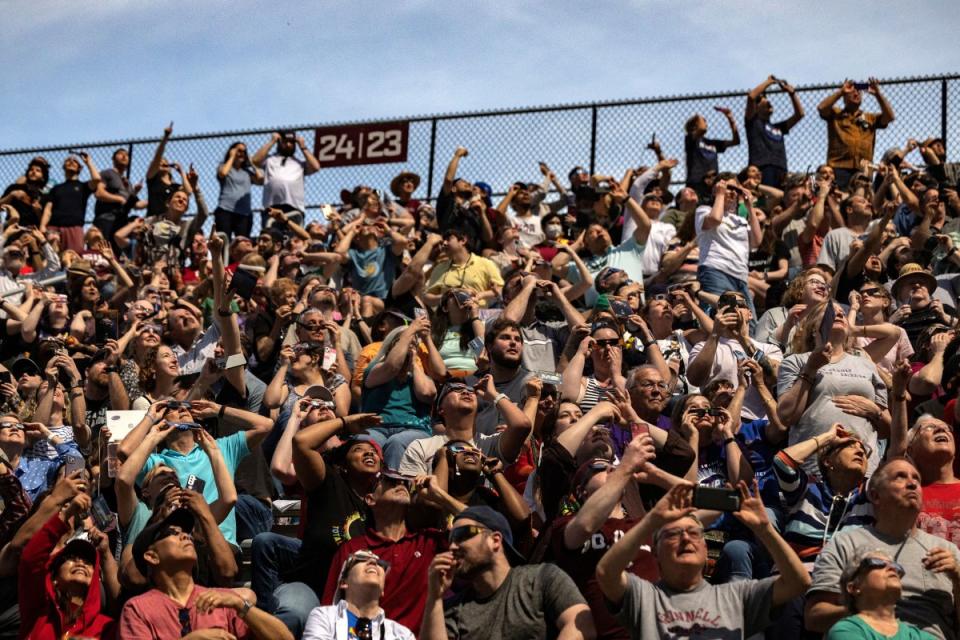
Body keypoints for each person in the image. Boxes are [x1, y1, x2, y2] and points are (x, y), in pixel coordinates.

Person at [595, 481, 811, 639]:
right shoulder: (644, 597)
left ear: (705, 549)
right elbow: (606, 573)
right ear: (656, 554)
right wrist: (651, 521)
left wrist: (765, 530)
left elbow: (798, 582)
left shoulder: (737, 595)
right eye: (672, 534)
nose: (686, 538)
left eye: (694, 532)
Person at [805, 458, 960, 640]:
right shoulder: (846, 543)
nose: (912, 484)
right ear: (875, 496)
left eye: (916, 479)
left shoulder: (948, 551)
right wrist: (871, 611)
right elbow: (814, 617)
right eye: (900, 477)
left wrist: (957, 578)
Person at [421, 505, 595, 640]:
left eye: (460, 535)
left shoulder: (542, 578)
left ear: (495, 540)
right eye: (450, 539)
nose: (452, 546)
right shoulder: (452, 608)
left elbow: (581, 625)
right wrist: (435, 598)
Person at [120, 508, 294, 639]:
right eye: (172, 533)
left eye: (186, 533)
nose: (186, 537)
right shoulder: (137, 609)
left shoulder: (224, 600)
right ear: (152, 556)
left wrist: (241, 606)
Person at [777, 299, 890, 476]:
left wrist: (874, 411)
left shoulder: (867, 365)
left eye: (843, 313)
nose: (839, 314)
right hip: (813, 470)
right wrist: (810, 369)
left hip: (863, 471)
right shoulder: (796, 361)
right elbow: (786, 416)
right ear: (814, 328)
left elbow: (887, 430)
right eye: (831, 311)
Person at [18, 493, 117, 640]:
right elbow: (30, 560)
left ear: (96, 580)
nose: (80, 563)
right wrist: (65, 515)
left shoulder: (107, 628)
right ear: (55, 578)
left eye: (88, 562)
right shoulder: (39, 610)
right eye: (71, 558)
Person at [827, 550, 937, 640]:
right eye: (877, 563)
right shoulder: (846, 630)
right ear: (854, 587)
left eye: (896, 567)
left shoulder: (917, 636)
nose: (892, 568)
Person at [305, 550, 415, 640]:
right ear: (343, 582)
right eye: (361, 559)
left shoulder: (402, 634)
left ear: (382, 590)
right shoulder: (323, 617)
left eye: (380, 564)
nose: (373, 561)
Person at [695, 180, 763, 319]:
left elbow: (756, 241)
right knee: (721, 317)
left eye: (736, 190)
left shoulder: (741, 220)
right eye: (729, 188)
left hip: (741, 276)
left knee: (748, 321)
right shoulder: (704, 210)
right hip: (716, 270)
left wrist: (750, 207)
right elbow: (714, 220)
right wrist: (720, 194)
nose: (733, 192)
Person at [818, 78, 896, 188]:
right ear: (844, 97)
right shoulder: (836, 114)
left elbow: (889, 117)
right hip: (839, 168)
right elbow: (822, 108)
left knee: (863, 200)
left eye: (859, 91)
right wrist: (841, 92)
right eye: (852, 91)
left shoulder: (870, 118)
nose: (856, 93)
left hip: (864, 168)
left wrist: (878, 94)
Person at [251, 130, 321, 229]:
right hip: (271, 206)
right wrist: (272, 141)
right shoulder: (270, 159)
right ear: (280, 143)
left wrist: (303, 147)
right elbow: (255, 160)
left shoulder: (300, 162)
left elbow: (316, 167)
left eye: (291, 142)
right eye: (285, 142)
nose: (288, 145)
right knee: (271, 237)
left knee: (292, 239)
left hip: (293, 207)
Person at [745, 75, 805, 187]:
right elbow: (751, 97)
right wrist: (768, 82)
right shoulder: (753, 122)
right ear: (757, 107)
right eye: (764, 101)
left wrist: (792, 94)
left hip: (781, 167)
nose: (769, 103)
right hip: (763, 167)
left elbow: (799, 114)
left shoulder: (778, 127)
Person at [40, 152, 102, 253]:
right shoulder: (56, 188)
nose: (71, 162)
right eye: (68, 160)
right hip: (54, 227)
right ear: (63, 167)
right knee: (51, 257)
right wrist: (42, 226)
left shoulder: (83, 187)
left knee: (75, 259)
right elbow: (48, 209)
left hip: (74, 227)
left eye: (75, 161)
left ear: (80, 168)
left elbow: (97, 179)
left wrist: (88, 162)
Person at [425, 229, 503, 308]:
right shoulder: (439, 268)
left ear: (463, 240)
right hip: (447, 317)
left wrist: (480, 295)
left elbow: (500, 290)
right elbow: (427, 298)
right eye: (442, 242)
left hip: (477, 315)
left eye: (448, 239)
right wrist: (448, 296)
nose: (444, 243)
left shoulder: (485, 263)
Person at [684, 106, 740, 197]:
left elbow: (736, 141)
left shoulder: (711, 143)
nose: (706, 123)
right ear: (694, 125)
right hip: (697, 181)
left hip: (712, 182)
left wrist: (730, 119)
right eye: (703, 121)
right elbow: (701, 130)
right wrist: (697, 118)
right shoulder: (690, 139)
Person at [215, 141, 264, 240]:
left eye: (244, 151)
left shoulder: (247, 172)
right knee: (224, 241)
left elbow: (260, 180)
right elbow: (223, 173)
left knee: (242, 242)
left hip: (244, 213)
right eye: (239, 151)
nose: (242, 154)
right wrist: (232, 156)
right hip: (226, 210)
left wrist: (251, 163)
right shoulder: (224, 167)